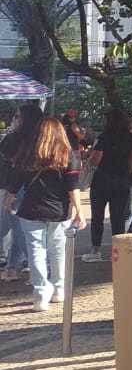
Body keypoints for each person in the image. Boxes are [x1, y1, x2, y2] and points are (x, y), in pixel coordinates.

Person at [3, 117, 85, 311]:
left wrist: (9, 199)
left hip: (31, 209)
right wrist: (79, 211)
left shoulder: (27, 154)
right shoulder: (68, 155)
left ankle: (40, 292)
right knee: (58, 250)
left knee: (36, 251)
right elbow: (72, 187)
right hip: (59, 210)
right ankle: (59, 289)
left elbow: (15, 182)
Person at [81, 108, 132, 263]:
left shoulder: (104, 137)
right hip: (122, 181)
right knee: (118, 217)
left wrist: (89, 158)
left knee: (97, 216)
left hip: (102, 180)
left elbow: (96, 160)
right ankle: (118, 252)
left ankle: (96, 250)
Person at [0, 104, 44, 281]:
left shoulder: (13, 138)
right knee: (18, 227)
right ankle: (13, 267)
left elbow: (7, 163)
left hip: (13, 187)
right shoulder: (42, 138)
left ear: (25, 119)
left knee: (18, 228)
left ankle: (37, 268)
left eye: (18, 116)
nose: (15, 120)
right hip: (32, 188)